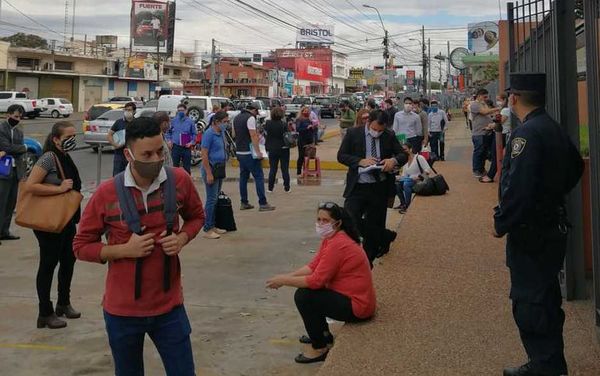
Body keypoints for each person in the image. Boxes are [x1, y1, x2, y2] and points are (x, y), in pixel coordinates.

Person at [73, 117, 205, 376]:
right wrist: (123, 250)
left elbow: (197, 217)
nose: (156, 159)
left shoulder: (179, 181)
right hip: (122, 312)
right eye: (147, 154)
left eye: (160, 151)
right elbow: (80, 246)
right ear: (128, 154)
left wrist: (182, 238)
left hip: (169, 309)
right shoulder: (107, 193)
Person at [493, 73, 584, 376]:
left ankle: (544, 365)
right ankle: (552, 361)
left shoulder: (526, 134)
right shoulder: (552, 127)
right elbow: (574, 167)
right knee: (545, 296)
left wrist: (501, 222)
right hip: (550, 224)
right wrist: (551, 194)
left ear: (514, 98)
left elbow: (517, 188)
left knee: (529, 301)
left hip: (530, 232)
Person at [266, 202, 376, 364]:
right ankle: (323, 334)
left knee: (305, 296)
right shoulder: (332, 238)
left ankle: (320, 347)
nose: (320, 224)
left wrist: (284, 280)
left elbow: (316, 281)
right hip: (352, 299)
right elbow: (313, 266)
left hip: (358, 307)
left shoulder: (339, 244)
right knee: (309, 293)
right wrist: (287, 277)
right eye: (318, 219)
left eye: (325, 220)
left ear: (337, 223)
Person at [26, 121, 82, 329]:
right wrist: (59, 189)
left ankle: (63, 303)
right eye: (68, 137)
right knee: (48, 264)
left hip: (67, 220)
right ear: (56, 139)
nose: (72, 140)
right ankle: (45, 312)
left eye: (73, 136)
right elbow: (31, 186)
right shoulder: (48, 157)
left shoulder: (65, 156)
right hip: (49, 222)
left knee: (68, 260)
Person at [338, 110, 408, 264]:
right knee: (349, 219)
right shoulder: (353, 133)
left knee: (375, 222)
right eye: (375, 129)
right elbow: (341, 156)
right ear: (368, 122)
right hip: (358, 186)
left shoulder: (388, 135)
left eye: (380, 131)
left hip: (379, 187)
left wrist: (393, 161)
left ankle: (367, 261)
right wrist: (359, 161)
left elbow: (403, 155)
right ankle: (384, 235)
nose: (377, 133)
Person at [233, 103, 275, 211]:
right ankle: (263, 203)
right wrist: (258, 152)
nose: (257, 114)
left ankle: (244, 202)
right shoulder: (250, 118)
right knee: (259, 177)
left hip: (240, 152)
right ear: (254, 110)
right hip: (249, 153)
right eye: (257, 112)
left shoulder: (236, 118)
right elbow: (253, 135)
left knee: (243, 177)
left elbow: (234, 134)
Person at [200, 111, 229, 240]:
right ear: (217, 122)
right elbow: (204, 155)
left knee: (215, 198)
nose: (226, 124)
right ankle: (207, 228)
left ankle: (213, 225)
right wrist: (208, 173)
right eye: (224, 122)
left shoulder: (221, 133)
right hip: (211, 169)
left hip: (219, 169)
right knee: (211, 199)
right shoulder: (208, 134)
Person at [0, 105, 26, 242]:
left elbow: (21, 149)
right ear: (8, 115)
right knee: (1, 202)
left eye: (20, 117)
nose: (18, 119)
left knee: (10, 203)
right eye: (15, 116)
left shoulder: (18, 131)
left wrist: (18, 149)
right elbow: (4, 146)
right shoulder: (1, 128)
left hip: (15, 170)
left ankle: (4, 231)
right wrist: (19, 148)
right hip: (3, 170)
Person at [470, 88, 500, 178]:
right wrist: (498, 108)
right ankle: (477, 170)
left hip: (486, 131)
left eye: (487, 97)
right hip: (479, 133)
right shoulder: (474, 105)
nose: (486, 98)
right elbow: (485, 112)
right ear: (479, 96)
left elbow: (488, 113)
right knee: (479, 151)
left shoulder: (483, 104)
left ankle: (481, 169)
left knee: (484, 152)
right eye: (484, 97)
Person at [395, 143, 432, 213]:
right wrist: (398, 178)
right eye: (402, 150)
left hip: (420, 181)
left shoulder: (419, 157)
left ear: (411, 149)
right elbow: (404, 175)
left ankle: (407, 205)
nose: (404, 151)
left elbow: (428, 170)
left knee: (406, 184)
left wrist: (419, 177)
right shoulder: (404, 161)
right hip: (410, 180)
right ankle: (402, 203)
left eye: (405, 149)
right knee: (397, 183)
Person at [265, 107, 291, 193]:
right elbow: (288, 135)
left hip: (272, 148)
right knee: (285, 169)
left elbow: (264, 133)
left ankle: (270, 188)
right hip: (284, 148)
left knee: (273, 169)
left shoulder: (268, 123)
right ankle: (287, 187)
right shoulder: (284, 124)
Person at [166, 103, 196, 174]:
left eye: (182, 110)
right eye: (179, 110)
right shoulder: (173, 121)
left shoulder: (190, 122)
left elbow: (194, 134)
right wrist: (169, 141)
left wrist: (191, 142)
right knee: (174, 167)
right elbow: (168, 132)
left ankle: (187, 183)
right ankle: (175, 183)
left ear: (186, 111)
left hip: (186, 147)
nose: (180, 112)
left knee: (187, 168)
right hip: (175, 147)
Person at [108, 101, 136, 176]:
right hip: (119, 154)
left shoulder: (137, 122)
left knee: (131, 175)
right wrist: (114, 144)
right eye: (126, 110)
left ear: (134, 111)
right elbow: (109, 134)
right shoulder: (119, 122)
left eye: (129, 110)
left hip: (132, 154)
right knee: (117, 175)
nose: (127, 112)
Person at [295, 106, 315, 177]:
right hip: (302, 140)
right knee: (301, 156)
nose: (306, 112)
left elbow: (312, 130)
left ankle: (306, 171)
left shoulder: (309, 119)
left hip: (309, 140)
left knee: (308, 156)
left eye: (308, 111)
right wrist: (306, 128)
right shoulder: (299, 120)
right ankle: (299, 172)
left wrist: (312, 127)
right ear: (302, 112)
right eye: (305, 111)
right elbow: (298, 129)